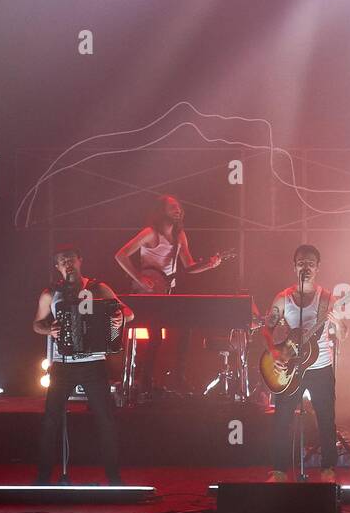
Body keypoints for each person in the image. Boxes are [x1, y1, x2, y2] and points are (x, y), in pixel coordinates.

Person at [33, 243, 132, 484]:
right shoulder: (50, 293)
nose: (67, 263)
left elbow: (128, 312)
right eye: (62, 260)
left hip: (93, 364)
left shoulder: (98, 287)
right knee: (50, 420)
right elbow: (37, 324)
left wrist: (119, 318)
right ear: (57, 267)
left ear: (80, 260)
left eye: (70, 259)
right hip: (63, 364)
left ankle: (114, 478)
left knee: (105, 420)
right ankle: (43, 478)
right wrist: (50, 329)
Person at [114, 195, 230, 397]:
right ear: (162, 211)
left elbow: (190, 267)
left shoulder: (180, 236)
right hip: (147, 294)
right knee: (156, 336)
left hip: (166, 292)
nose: (178, 210)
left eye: (179, 207)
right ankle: (145, 382)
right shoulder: (150, 233)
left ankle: (177, 377)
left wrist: (210, 264)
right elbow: (121, 255)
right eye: (173, 207)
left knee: (186, 325)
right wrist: (139, 278)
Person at [263, 244, 348, 482]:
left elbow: (343, 335)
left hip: (320, 367)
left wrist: (339, 324)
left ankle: (328, 468)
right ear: (294, 266)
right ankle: (279, 470)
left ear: (318, 268)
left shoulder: (328, 299)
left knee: (326, 418)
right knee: (282, 418)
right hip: (290, 368)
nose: (306, 266)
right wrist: (275, 353)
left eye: (310, 263)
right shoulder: (283, 298)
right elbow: (267, 329)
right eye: (301, 262)